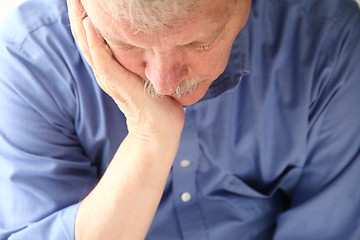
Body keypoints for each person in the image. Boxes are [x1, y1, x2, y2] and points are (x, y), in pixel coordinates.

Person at [0, 0, 360, 238]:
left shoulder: (330, 44)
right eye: (126, 45)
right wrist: (149, 139)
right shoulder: (31, 56)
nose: (163, 82)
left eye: (198, 43)